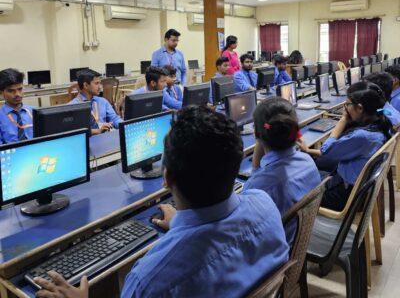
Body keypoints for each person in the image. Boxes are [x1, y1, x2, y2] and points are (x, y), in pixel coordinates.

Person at [35, 106, 289, 298]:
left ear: (167, 178)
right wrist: (181, 221)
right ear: (236, 164)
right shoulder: (266, 205)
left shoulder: (150, 281)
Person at [298, 82, 391, 211]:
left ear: (359, 108)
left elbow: (326, 151)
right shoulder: (380, 125)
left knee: (293, 189)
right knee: (306, 174)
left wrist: (343, 119)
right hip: (352, 189)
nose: (345, 107)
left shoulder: (362, 136)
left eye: (347, 104)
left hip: (342, 196)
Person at [243, 97, 320, 244]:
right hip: (301, 235)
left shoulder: (258, 186)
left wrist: (259, 140)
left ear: (256, 134)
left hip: (279, 248)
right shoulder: (308, 161)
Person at [69, 69, 122, 135]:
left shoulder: (102, 101)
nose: (100, 87)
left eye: (100, 83)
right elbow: (75, 132)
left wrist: (123, 125)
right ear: (85, 85)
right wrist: (98, 131)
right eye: (96, 83)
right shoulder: (73, 106)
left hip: (104, 139)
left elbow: (115, 119)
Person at [0, 68, 34, 144]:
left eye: (20, 89)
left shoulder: (35, 111)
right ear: (2, 93)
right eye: (11, 91)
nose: (17, 94)